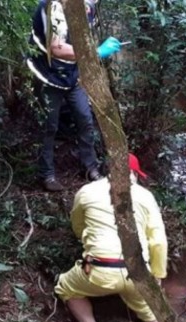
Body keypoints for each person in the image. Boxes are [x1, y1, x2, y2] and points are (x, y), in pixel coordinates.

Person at [54, 153, 168, 322]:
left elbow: (78, 226)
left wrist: (88, 240)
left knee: (66, 287)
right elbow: (158, 241)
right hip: (139, 272)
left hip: (99, 270)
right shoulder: (146, 196)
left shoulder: (86, 192)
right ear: (133, 174)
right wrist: (157, 277)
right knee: (153, 316)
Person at [27, 0, 123, 191]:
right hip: (47, 73)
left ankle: (90, 167)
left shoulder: (88, 6)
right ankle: (47, 174)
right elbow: (56, 47)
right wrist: (95, 52)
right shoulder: (51, 7)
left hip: (72, 74)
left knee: (85, 119)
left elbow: (83, 36)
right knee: (49, 126)